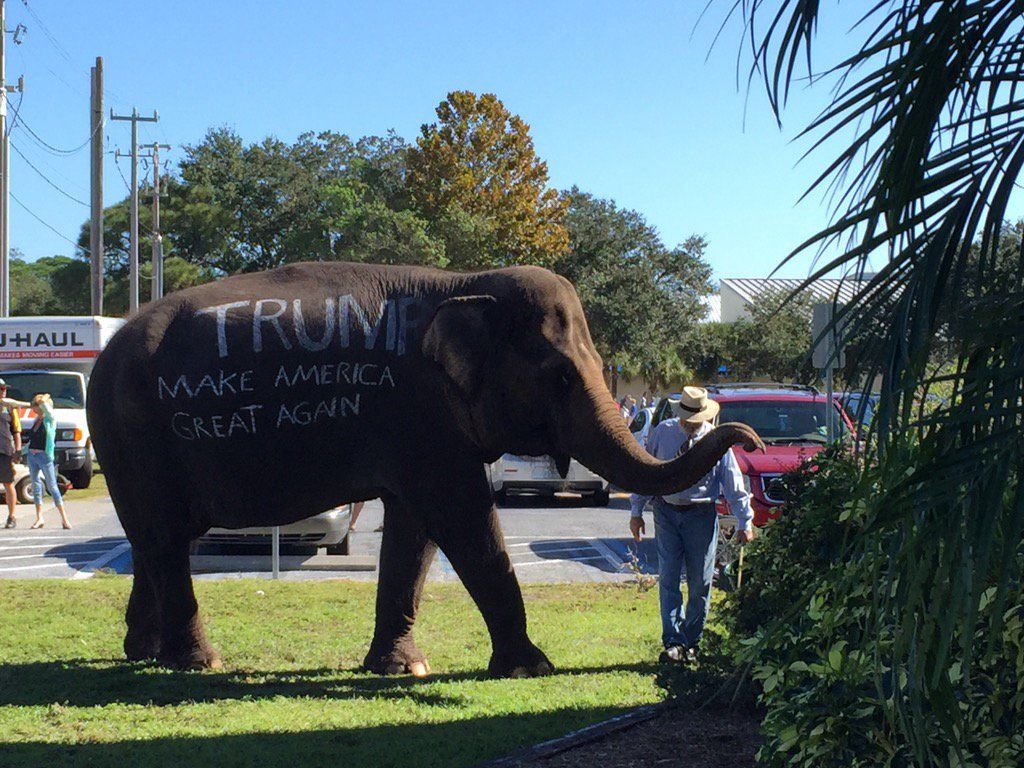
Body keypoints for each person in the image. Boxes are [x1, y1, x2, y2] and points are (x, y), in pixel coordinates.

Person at [629, 386, 755, 663]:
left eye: (694, 421)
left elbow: (732, 483)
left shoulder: (714, 439)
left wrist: (746, 520)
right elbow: (647, 471)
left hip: (700, 513)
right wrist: (636, 511)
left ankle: (692, 641)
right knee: (669, 578)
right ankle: (673, 642)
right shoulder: (663, 432)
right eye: (685, 419)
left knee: (700, 581)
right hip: (666, 511)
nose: (689, 425)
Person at [25, 393, 70, 530]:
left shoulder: (50, 419)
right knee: (36, 485)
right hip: (32, 455)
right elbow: (32, 440)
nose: (35, 409)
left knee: (52, 486)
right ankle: (39, 518)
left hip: (44, 456)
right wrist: (20, 451)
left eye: (37, 406)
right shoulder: (35, 421)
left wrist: (43, 398)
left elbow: (47, 408)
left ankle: (64, 518)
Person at [0, 379, 22, 528]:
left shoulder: (10, 409)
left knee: (8, 483)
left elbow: (17, 432)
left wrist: (18, 450)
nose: (3, 391)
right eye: (1, 389)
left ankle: (12, 516)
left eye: (4, 389)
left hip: (5, 451)